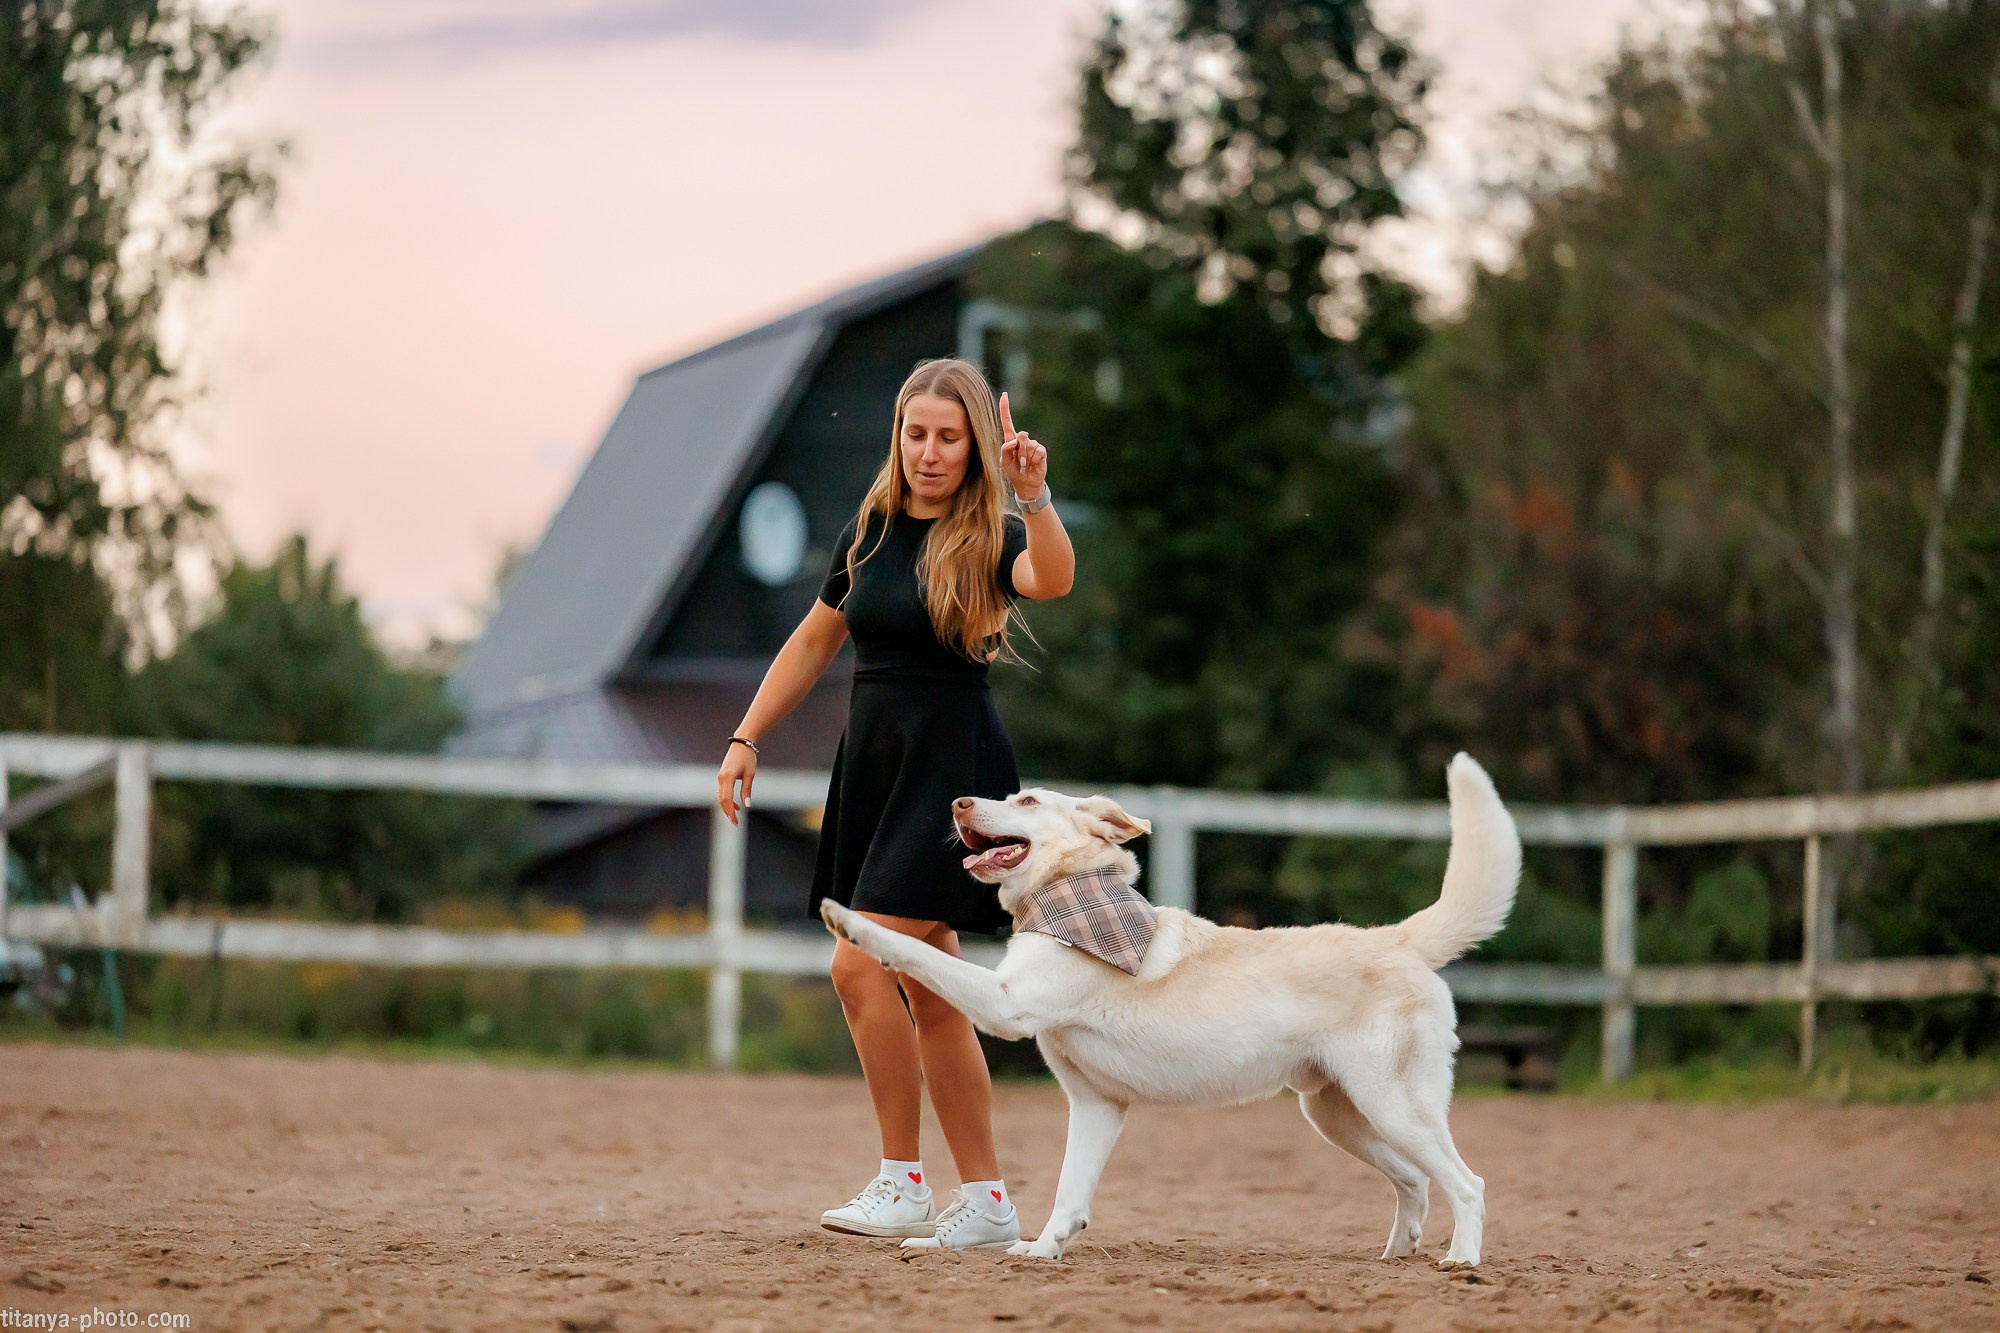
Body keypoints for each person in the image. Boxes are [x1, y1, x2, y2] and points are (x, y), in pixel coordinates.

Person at [715, 357, 1074, 1250]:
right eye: (917, 434)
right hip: (876, 768)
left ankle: (902, 1180)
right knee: (934, 985)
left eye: (949, 437)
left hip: (950, 773)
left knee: (858, 963)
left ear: (976, 446)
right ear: (899, 436)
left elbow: (1053, 580)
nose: (929, 451)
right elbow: (813, 638)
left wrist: (1037, 498)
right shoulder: (868, 529)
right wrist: (746, 734)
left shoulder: (991, 532)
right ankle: (987, 1203)